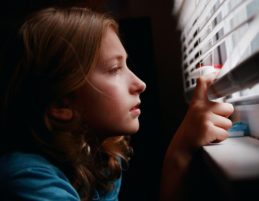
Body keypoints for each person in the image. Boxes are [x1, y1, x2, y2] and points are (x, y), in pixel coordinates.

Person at [0, 6, 233, 201]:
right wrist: (179, 151)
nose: (140, 84)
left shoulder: (101, 159)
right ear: (62, 104)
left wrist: (180, 153)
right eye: (114, 69)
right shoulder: (26, 177)